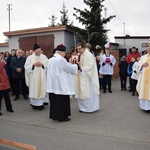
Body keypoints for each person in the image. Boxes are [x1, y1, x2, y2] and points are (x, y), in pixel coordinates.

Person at [46, 44, 78, 122]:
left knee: (54, 101)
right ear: (60, 53)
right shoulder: (61, 60)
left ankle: (54, 116)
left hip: (53, 84)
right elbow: (69, 68)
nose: (64, 55)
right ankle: (62, 117)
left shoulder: (50, 60)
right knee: (62, 101)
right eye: (64, 53)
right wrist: (75, 65)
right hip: (60, 84)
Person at [75, 42, 100, 113]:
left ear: (84, 48)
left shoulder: (89, 55)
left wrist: (81, 68)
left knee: (89, 92)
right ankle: (82, 107)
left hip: (88, 77)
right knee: (81, 91)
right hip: (81, 76)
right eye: (77, 49)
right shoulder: (80, 55)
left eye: (79, 49)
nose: (78, 50)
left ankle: (90, 108)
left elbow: (90, 66)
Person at [25, 44, 49, 110]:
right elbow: (26, 67)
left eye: (40, 50)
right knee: (34, 89)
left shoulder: (44, 57)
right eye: (38, 51)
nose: (39, 52)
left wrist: (42, 64)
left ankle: (41, 104)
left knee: (42, 89)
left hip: (42, 77)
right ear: (34, 51)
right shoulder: (30, 58)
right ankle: (34, 104)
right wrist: (33, 65)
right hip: (33, 77)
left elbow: (48, 64)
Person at [136, 46, 150, 112]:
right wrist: (142, 65)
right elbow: (137, 66)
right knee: (144, 91)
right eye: (148, 48)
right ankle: (145, 107)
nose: (149, 49)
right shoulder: (143, 57)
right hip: (144, 79)